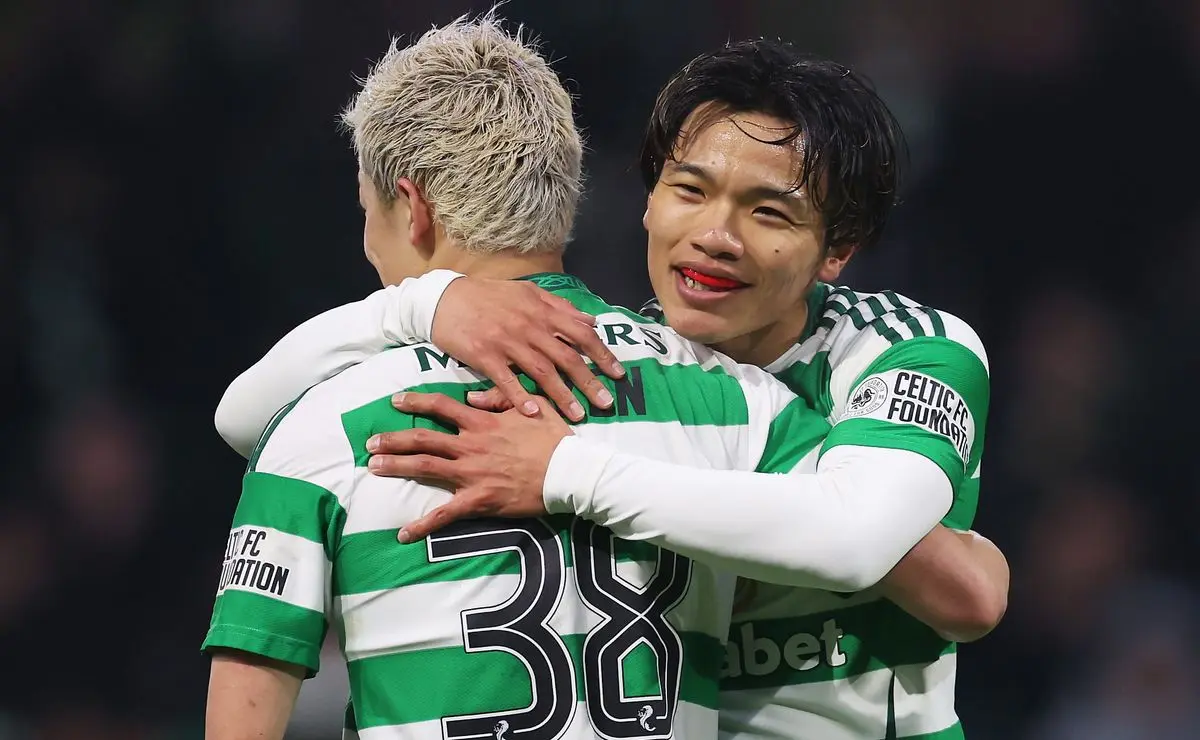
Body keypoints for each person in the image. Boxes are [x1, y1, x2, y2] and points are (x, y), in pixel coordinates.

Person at [215, 40, 1008, 740]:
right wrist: (427, 303)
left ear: (838, 250)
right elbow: (250, 419)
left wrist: (565, 471)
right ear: (648, 199)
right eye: (690, 190)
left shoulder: (898, 352)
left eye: (769, 212)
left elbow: (880, 549)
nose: (716, 236)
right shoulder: (642, 365)